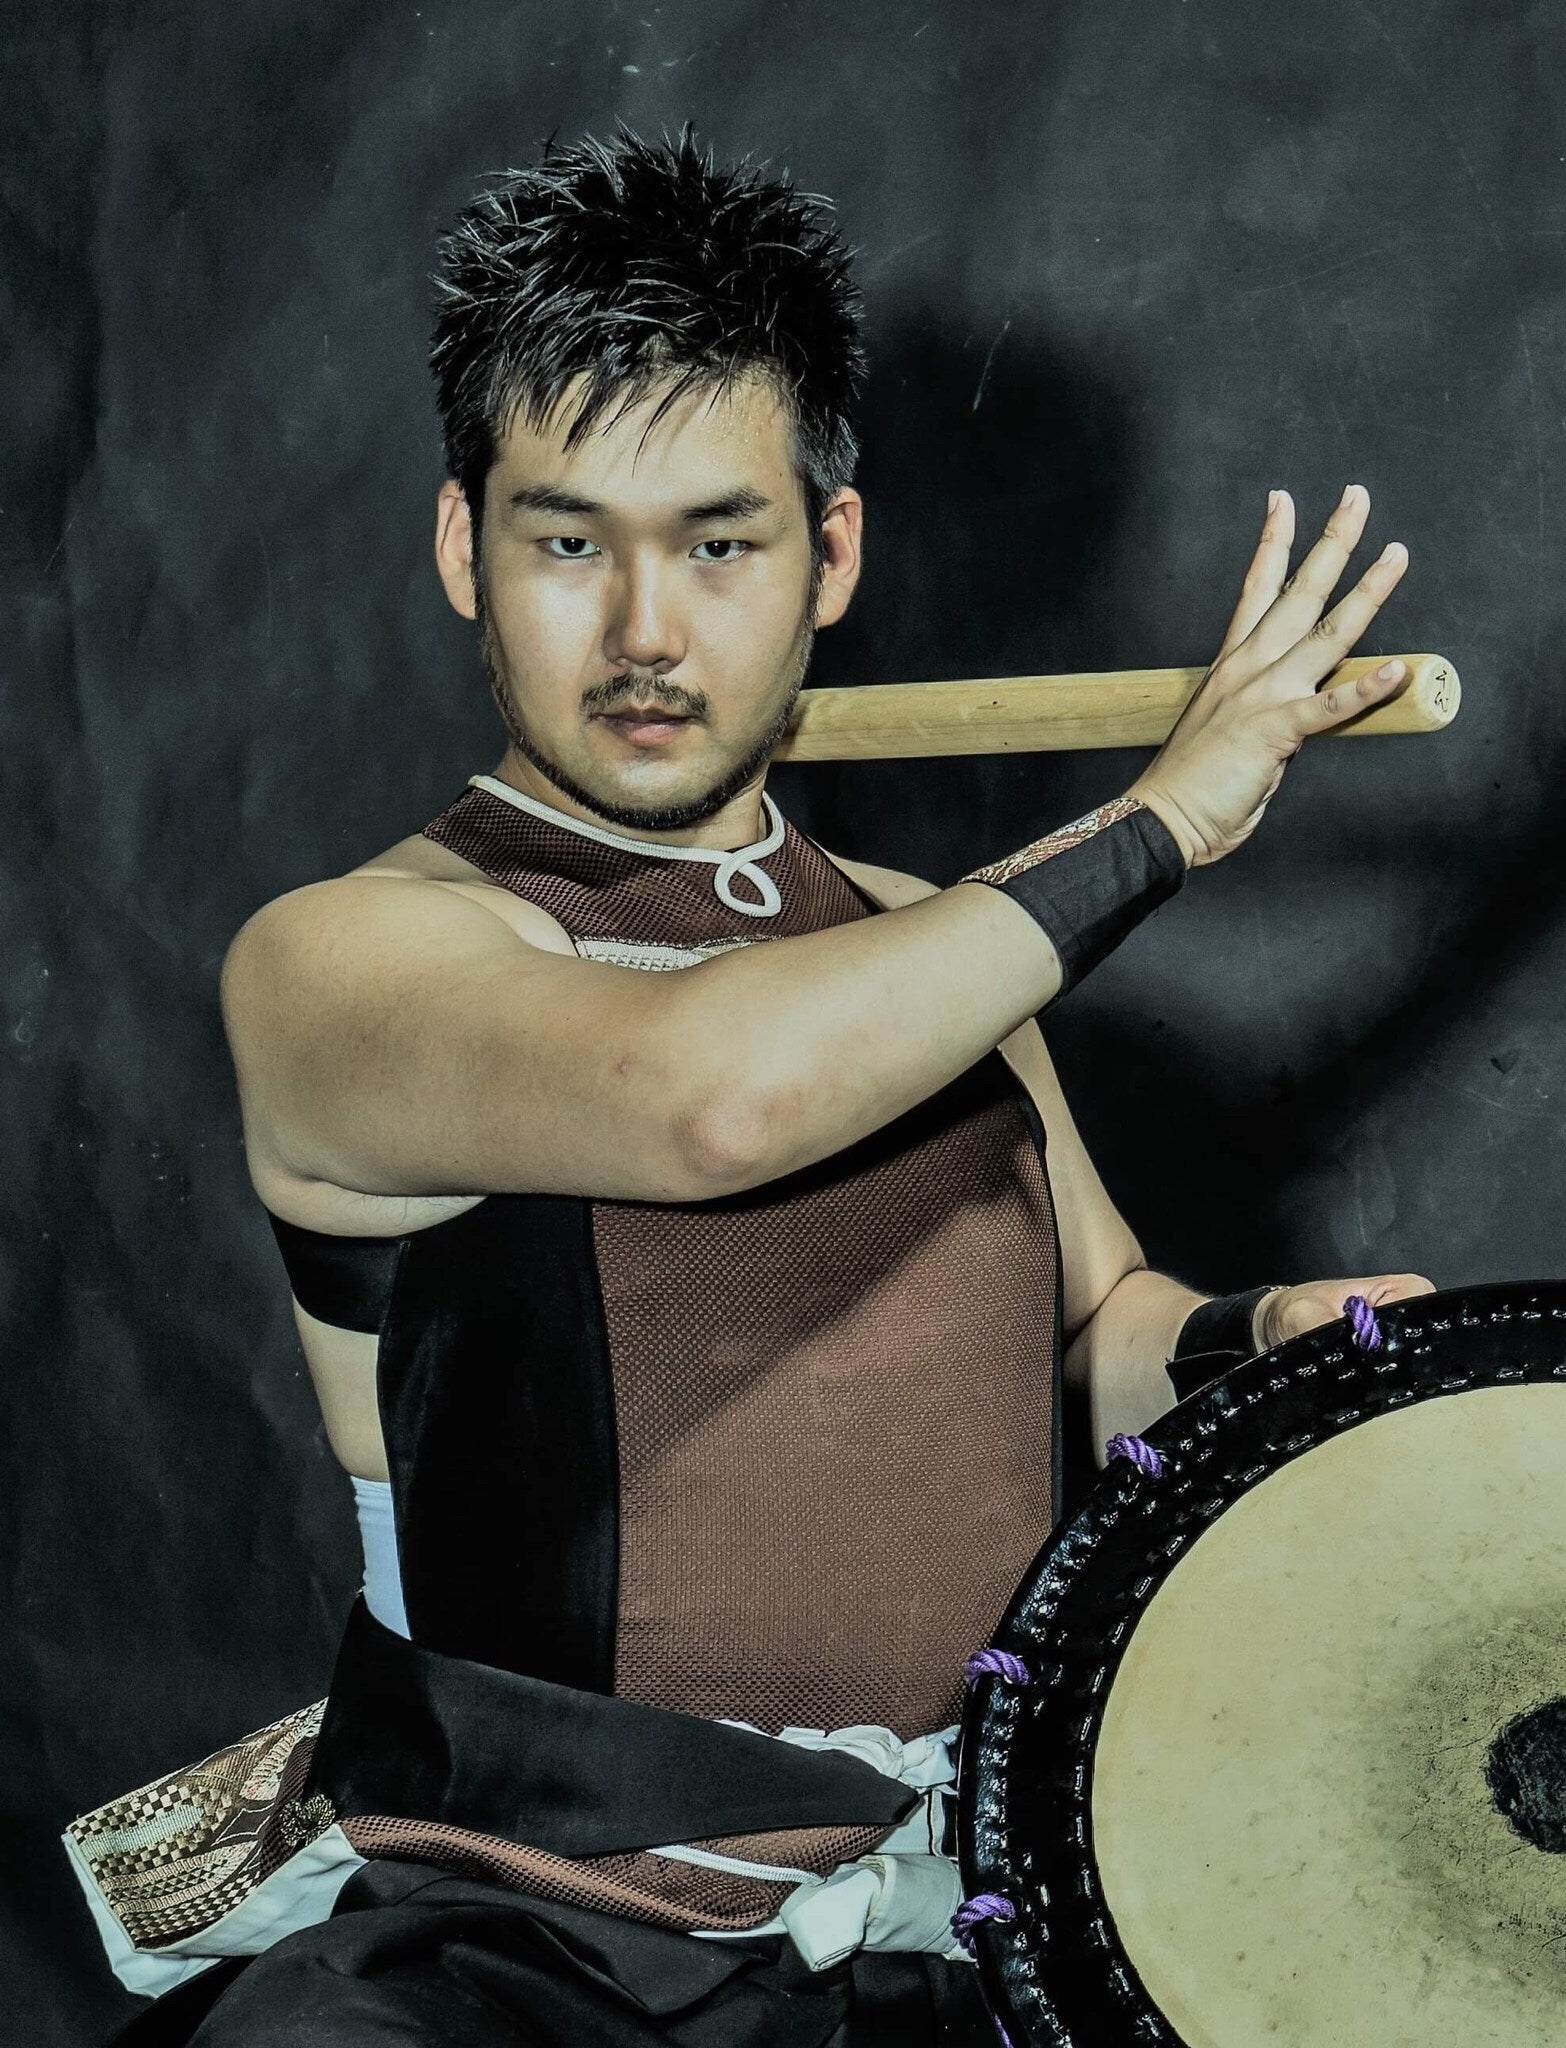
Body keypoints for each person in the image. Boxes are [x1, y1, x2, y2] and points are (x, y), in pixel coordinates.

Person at [78, 126, 1433, 2045]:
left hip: (954, 1929)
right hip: (531, 1949)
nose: (646, 634)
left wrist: (1257, 1344)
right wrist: (1158, 826)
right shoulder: (346, 961)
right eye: (569, 543)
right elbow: (712, 1100)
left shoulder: (934, 951)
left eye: (720, 544)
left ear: (832, 555)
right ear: (465, 551)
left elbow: (1089, 1341)